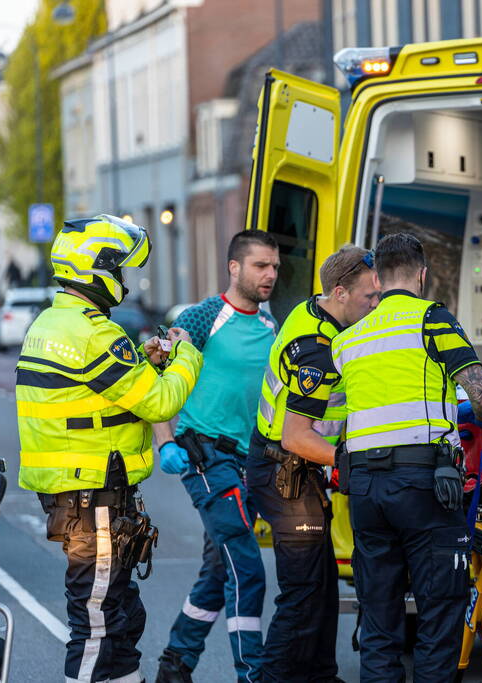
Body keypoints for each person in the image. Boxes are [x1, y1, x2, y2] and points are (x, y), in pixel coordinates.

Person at [16, 214, 203, 683]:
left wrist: (142, 362)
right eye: (118, 269)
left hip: (78, 494)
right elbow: (161, 400)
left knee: (118, 619)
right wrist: (186, 355)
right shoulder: (95, 333)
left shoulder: (54, 322)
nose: (123, 279)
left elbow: (92, 391)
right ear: (94, 269)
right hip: (94, 497)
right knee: (98, 625)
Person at [331, 233, 482, 682]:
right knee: (439, 613)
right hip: (423, 485)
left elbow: (336, 417)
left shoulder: (348, 340)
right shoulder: (432, 319)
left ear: (378, 279)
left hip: (364, 489)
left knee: (379, 619)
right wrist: (465, 409)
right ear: (422, 275)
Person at [246, 244, 380, 683]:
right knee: (303, 593)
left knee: (321, 588)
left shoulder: (315, 310)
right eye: (368, 298)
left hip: (293, 471)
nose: (375, 305)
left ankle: (321, 675)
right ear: (340, 292)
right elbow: (296, 435)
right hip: (283, 468)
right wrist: (349, 462)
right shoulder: (315, 351)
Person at [155, 231, 280, 683]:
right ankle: (254, 674)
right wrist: (166, 441)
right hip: (204, 457)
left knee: (218, 568)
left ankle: (175, 664)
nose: (269, 274)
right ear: (234, 267)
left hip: (249, 464)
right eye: (260, 265)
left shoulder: (271, 328)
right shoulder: (203, 317)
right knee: (247, 570)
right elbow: (157, 383)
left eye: (274, 267)